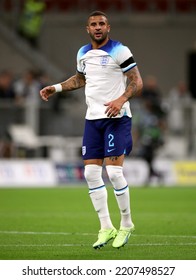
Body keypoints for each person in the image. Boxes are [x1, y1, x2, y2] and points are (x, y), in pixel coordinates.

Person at [40, 11, 143, 249]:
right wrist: (55, 88)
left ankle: (126, 224)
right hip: (93, 120)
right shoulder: (83, 53)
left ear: (109, 27)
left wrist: (121, 99)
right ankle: (106, 227)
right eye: (93, 24)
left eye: (102, 24)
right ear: (87, 29)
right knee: (90, 175)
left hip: (116, 118)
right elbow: (79, 79)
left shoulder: (120, 50)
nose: (98, 27)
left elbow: (137, 81)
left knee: (115, 174)